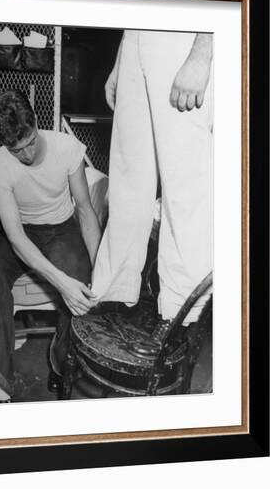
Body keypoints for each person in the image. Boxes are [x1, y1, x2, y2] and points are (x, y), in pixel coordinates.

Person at [0, 90, 101, 403]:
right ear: (2, 142)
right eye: (18, 149)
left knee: (81, 278)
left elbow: (85, 209)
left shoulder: (66, 147)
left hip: (61, 227)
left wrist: (99, 269)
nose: (28, 154)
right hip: (22, 231)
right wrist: (61, 284)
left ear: (36, 123)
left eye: (30, 141)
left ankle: (63, 363)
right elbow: (15, 236)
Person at [91, 30, 213, 338]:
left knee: (183, 185)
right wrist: (122, 57)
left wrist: (202, 54)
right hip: (138, 36)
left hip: (185, 39)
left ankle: (180, 311)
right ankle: (117, 290)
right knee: (128, 176)